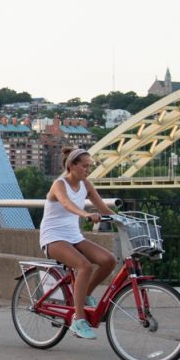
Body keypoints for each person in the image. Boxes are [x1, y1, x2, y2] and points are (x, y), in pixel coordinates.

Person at [40, 146, 117, 340]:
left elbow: (104, 209)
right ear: (72, 166)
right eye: (84, 166)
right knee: (84, 266)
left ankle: (83, 296)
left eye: (89, 166)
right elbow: (66, 204)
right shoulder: (59, 184)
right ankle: (78, 318)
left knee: (108, 260)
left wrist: (127, 221)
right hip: (54, 237)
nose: (87, 170)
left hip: (74, 236)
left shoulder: (86, 185)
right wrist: (86, 214)